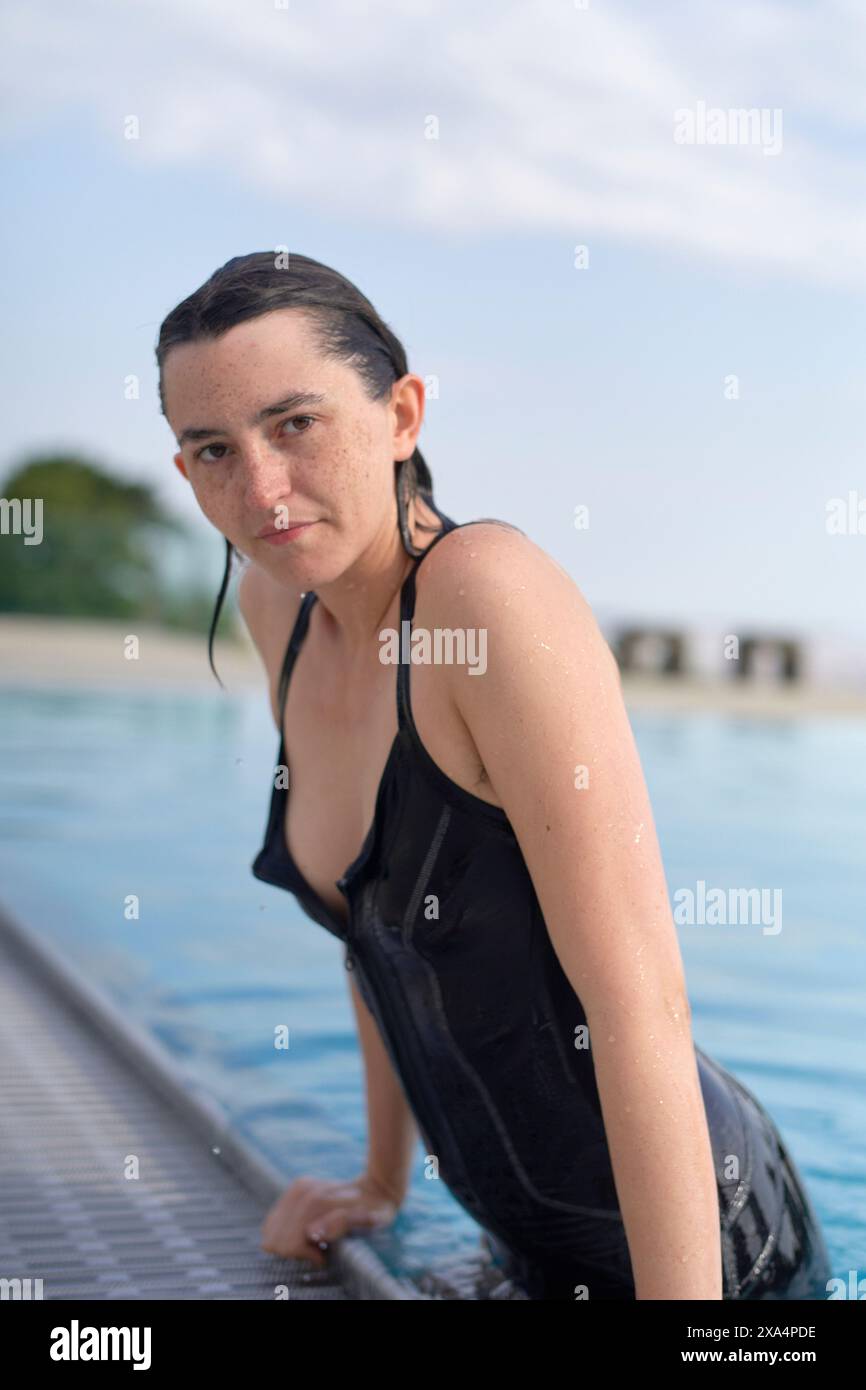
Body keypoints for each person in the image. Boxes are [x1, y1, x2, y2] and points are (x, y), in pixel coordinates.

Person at [157, 251, 832, 1300]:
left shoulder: (483, 599)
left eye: (295, 424)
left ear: (401, 415)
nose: (261, 490)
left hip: (707, 1260)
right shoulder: (276, 608)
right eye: (212, 449)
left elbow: (637, 1003)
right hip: (520, 1257)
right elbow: (370, 930)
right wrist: (380, 1182)